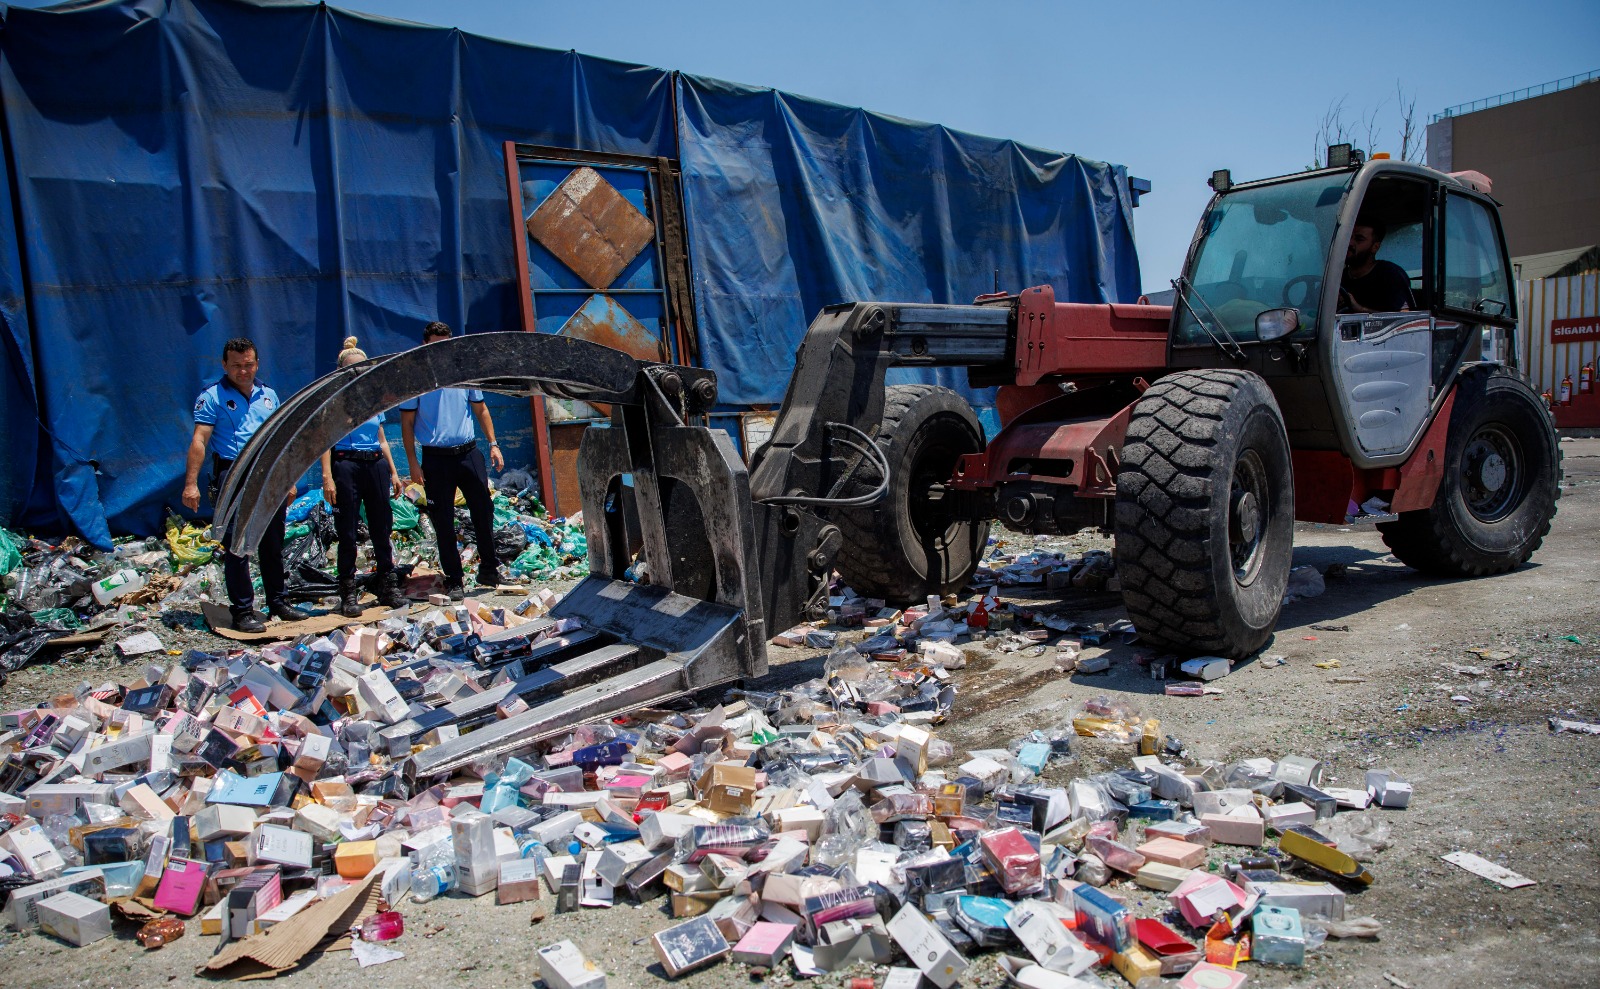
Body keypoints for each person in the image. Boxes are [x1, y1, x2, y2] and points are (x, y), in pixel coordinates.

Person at [182, 337, 310, 633]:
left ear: (257, 364)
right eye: (236, 366)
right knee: (237, 545)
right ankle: (242, 610)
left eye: (249, 364)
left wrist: (289, 480)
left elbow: (282, 441)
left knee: (273, 540)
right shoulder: (212, 397)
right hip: (235, 473)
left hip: (270, 474)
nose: (243, 371)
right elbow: (200, 440)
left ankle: (278, 601)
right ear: (224, 365)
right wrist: (191, 483)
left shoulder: (269, 395)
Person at [398, 321, 505, 600]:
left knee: (484, 510)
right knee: (442, 519)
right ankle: (455, 579)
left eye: (445, 344)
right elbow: (407, 423)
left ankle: (489, 569)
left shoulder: (463, 371)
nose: (441, 350)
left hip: (468, 453)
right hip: (436, 458)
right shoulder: (416, 376)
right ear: (425, 345)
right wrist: (412, 462)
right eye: (435, 344)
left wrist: (493, 445)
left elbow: (480, 409)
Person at [318, 337, 410, 617]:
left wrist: (394, 473)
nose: (358, 373)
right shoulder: (334, 400)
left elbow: (381, 440)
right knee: (347, 531)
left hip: (375, 465)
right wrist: (327, 477)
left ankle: (387, 585)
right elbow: (324, 441)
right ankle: (348, 593)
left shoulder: (373, 398)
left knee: (381, 527)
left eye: (362, 367)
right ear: (341, 371)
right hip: (347, 465)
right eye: (352, 369)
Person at [1339, 219, 1415, 314]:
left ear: (1375, 247)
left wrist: (1359, 309)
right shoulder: (1338, 276)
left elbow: (1404, 319)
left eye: (1359, 239)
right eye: (1348, 237)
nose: (1350, 243)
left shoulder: (1390, 275)